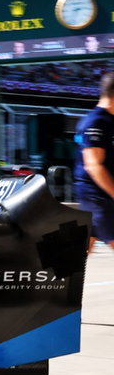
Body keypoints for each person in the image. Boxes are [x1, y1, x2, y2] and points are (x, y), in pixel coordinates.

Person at [74, 71, 114, 248]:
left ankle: (57, 275)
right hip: (97, 195)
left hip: (103, 196)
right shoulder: (96, 122)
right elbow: (93, 165)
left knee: (83, 248)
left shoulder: (108, 121)